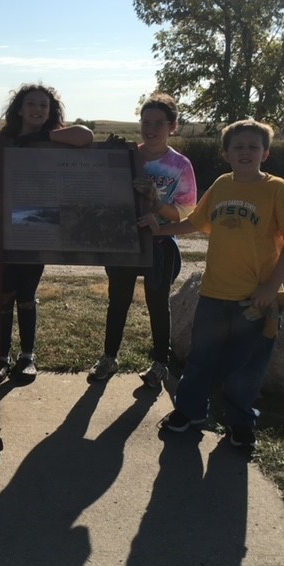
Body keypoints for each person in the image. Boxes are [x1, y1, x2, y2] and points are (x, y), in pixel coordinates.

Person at [140, 120, 284, 447]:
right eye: (238, 147)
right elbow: (194, 223)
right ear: (225, 153)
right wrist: (159, 230)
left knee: (246, 367)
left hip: (255, 300)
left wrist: (271, 288)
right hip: (213, 294)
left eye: (253, 147)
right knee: (200, 359)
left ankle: (240, 423)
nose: (245, 152)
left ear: (265, 153)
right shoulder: (223, 185)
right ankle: (189, 412)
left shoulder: (276, 190)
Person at [89, 93, 197, 387]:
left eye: (159, 123)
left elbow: (185, 213)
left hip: (160, 245)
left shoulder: (180, 165)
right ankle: (109, 358)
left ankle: (160, 364)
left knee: (158, 304)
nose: (150, 129)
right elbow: (102, 195)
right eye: (145, 122)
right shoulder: (127, 156)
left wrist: (156, 206)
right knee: (118, 301)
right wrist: (104, 156)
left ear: (172, 126)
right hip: (123, 242)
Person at [0, 84, 94, 381]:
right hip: (5, 220)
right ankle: (1, 355)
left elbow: (86, 136)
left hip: (40, 219)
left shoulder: (58, 137)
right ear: (19, 108)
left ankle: (28, 356)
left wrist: (43, 136)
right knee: (3, 292)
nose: (38, 109)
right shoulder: (5, 138)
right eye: (31, 104)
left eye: (44, 105)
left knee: (27, 291)